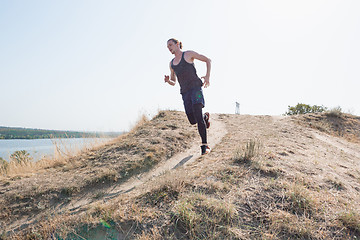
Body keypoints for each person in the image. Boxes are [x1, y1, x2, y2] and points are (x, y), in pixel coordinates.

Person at [164, 38, 211, 155]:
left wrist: (207, 77)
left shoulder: (188, 54)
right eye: (167, 47)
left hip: (196, 88)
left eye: (170, 45)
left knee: (198, 116)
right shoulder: (171, 64)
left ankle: (205, 146)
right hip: (185, 92)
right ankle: (205, 118)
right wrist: (168, 81)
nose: (169, 48)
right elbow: (174, 81)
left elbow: (207, 60)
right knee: (192, 120)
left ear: (178, 44)